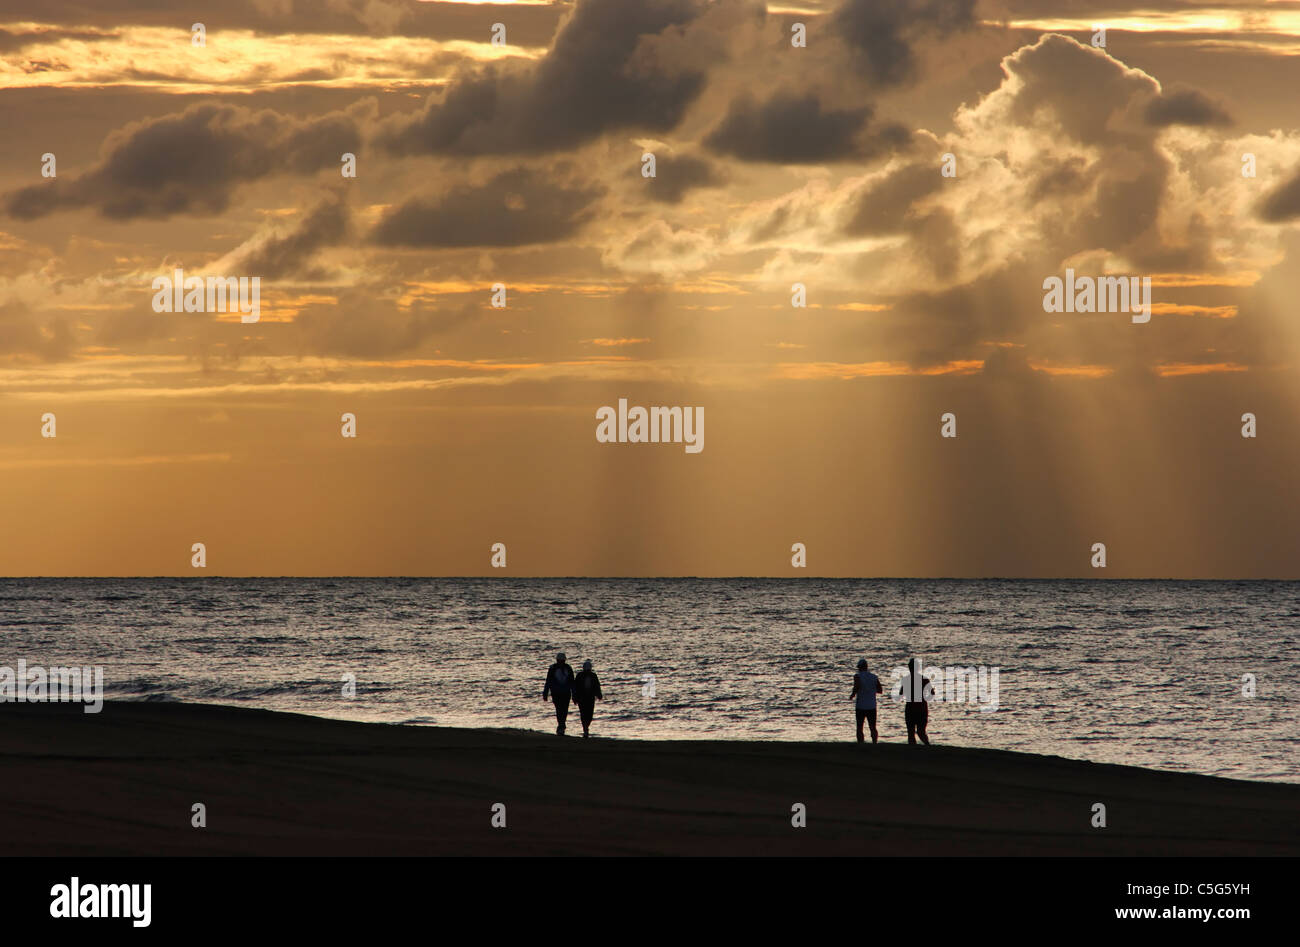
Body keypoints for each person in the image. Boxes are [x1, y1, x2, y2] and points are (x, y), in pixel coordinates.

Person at [542, 652, 576, 735]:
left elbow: (572, 682)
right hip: (556, 693)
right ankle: (561, 725)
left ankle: (561, 725)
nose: (561, 662)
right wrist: (545, 693)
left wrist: (574, 694)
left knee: (564, 709)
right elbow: (548, 681)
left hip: (566, 693)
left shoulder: (568, 668)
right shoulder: (552, 668)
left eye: (562, 661)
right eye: (560, 661)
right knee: (559, 709)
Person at [899, 658, 932, 745]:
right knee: (921, 731)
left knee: (911, 732)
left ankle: (912, 749)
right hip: (922, 708)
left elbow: (901, 694)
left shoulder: (906, 680)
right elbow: (931, 693)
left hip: (910, 708)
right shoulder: (925, 679)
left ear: (909, 668)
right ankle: (927, 745)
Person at [850, 658, 882, 744]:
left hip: (860, 705)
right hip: (872, 705)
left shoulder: (857, 676)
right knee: (872, 727)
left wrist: (852, 694)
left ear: (859, 668)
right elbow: (880, 690)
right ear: (867, 667)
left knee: (860, 727)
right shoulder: (874, 677)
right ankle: (874, 743)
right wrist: (871, 690)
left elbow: (857, 686)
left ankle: (861, 743)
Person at [573, 659, 603, 738]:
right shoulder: (579, 676)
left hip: (590, 697)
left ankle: (586, 727)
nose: (587, 671)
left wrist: (599, 694)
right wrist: (575, 697)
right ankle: (585, 729)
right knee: (583, 714)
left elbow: (597, 686)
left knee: (590, 715)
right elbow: (575, 687)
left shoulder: (593, 675)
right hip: (581, 698)